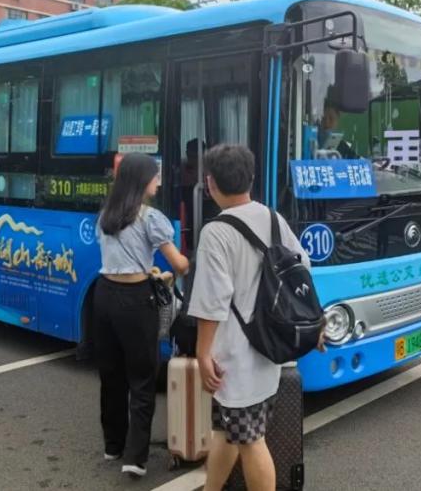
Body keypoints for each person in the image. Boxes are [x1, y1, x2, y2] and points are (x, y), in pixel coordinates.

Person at [188, 144, 311, 491]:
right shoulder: (273, 218)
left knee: (251, 441)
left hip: (235, 358)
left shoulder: (216, 232)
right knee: (228, 431)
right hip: (267, 348)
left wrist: (202, 353)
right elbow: (303, 266)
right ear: (252, 178)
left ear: (210, 183)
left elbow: (212, 300)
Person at [94, 153, 190, 478]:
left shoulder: (107, 214)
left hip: (104, 295)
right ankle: (135, 458)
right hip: (135, 301)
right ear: (142, 181)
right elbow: (178, 264)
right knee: (142, 378)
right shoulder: (150, 217)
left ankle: (113, 445)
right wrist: (184, 265)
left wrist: (147, 270)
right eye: (155, 176)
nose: (159, 182)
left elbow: (118, 259)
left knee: (111, 375)